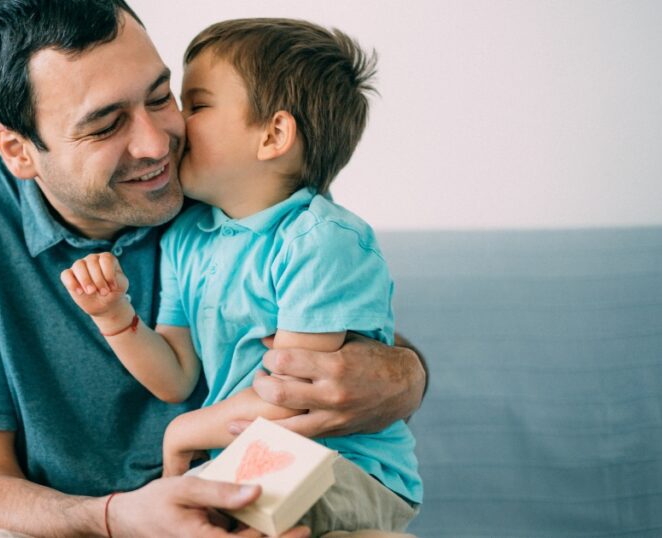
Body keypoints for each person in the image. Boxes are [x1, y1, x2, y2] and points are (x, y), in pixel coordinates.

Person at [0, 1, 427, 536]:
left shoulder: (225, 184)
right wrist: (114, 518)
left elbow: (346, 350)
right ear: (18, 150)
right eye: (106, 125)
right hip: (86, 520)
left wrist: (409, 377)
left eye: (162, 97)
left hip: (248, 488)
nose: (157, 145)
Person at [60, 18, 421, 532]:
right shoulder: (188, 235)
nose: (177, 125)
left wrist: (183, 432)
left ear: (273, 134)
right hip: (255, 459)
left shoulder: (319, 241)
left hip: (344, 468)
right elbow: (176, 375)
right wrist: (115, 316)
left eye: (199, 104)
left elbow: (292, 400)